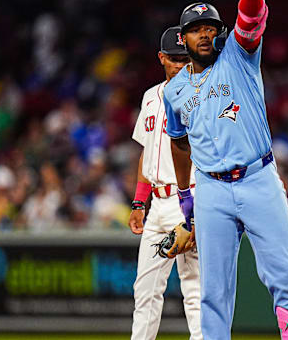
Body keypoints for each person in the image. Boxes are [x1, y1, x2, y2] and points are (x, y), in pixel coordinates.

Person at [163, 0, 288, 340]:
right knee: (213, 293)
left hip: (257, 179)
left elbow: (249, 20)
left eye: (211, 27)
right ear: (184, 38)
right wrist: (185, 196)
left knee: (286, 278)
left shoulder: (238, 57)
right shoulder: (174, 91)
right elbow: (178, 143)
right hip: (211, 189)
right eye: (197, 29)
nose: (206, 34)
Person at [129, 26, 202, 340]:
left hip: (191, 200)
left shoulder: (203, 95)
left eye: (184, 58)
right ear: (161, 58)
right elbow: (146, 155)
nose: (180, 64)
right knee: (144, 292)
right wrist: (138, 202)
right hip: (156, 204)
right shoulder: (150, 96)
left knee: (196, 291)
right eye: (173, 58)